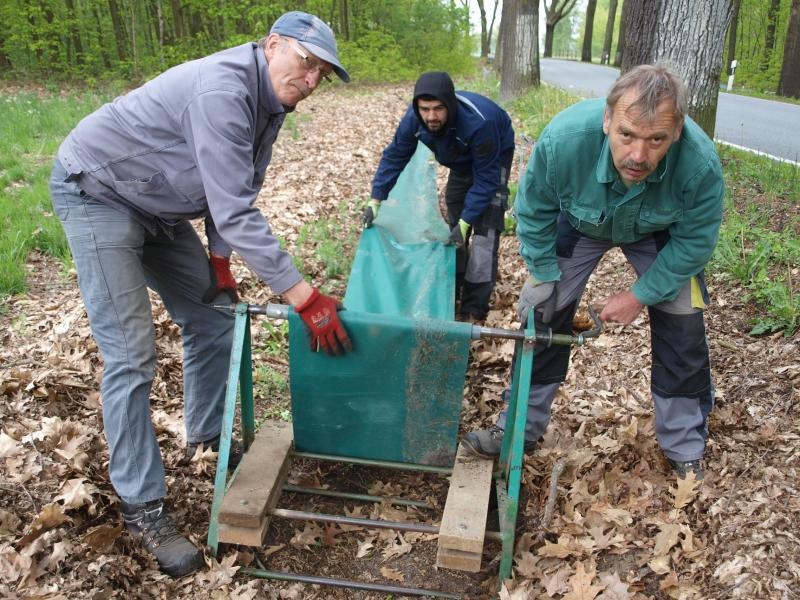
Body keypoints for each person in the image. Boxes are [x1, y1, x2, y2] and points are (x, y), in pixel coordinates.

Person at [49, 11, 352, 577]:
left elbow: (235, 189)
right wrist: (304, 297)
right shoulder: (222, 88)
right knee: (132, 354)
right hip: (98, 192)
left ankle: (209, 440)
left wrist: (218, 262)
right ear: (272, 46)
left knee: (216, 316)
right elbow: (238, 211)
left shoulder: (273, 104)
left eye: (321, 75)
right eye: (306, 63)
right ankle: (142, 506)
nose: (311, 80)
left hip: (160, 204)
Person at [463, 63, 723, 481]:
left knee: (683, 321)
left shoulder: (700, 164)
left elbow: (695, 244)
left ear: (676, 133)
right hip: (582, 222)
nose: (639, 156)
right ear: (607, 120)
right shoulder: (565, 140)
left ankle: (685, 446)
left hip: (659, 230)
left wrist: (640, 294)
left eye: (656, 140)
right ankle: (518, 431)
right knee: (542, 312)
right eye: (627, 135)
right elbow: (533, 211)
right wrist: (545, 273)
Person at [364, 71, 515, 321]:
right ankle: (453, 284)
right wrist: (376, 199)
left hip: (493, 154)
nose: (431, 116)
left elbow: (487, 179)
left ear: (450, 106)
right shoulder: (414, 120)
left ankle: (473, 308)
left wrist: (468, 222)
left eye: (438, 109)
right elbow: (395, 156)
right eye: (425, 109)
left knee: (485, 232)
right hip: (460, 159)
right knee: (455, 217)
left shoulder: (480, 124)